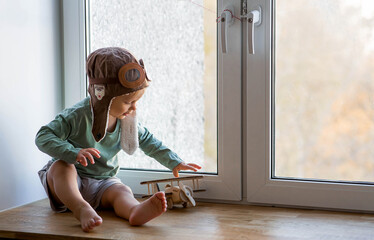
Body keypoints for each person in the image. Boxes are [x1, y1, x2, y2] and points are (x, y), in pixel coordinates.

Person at [35, 47, 201, 232]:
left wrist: (175, 162)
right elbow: (43, 136)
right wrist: (73, 153)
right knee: (61, 167)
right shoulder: (77, 115)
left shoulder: (126, 120)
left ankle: (134, 210)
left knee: (121, 191)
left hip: (103, 182)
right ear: (103, 96)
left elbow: (148, 141)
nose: (133, 108)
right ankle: (81, 208)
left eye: (136, 102)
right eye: (129, 102)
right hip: (71, 184)